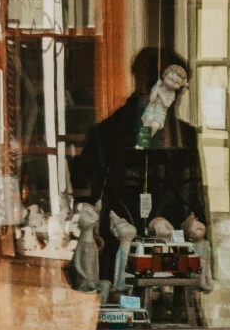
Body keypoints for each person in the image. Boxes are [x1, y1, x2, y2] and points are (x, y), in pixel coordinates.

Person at [71, 47, 208, 240]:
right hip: (118, 239)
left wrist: (195, 228)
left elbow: (194, 197)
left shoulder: (184, 135)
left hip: (176, 242)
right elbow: (86, 193)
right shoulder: (108, 131)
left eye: (177, 87)